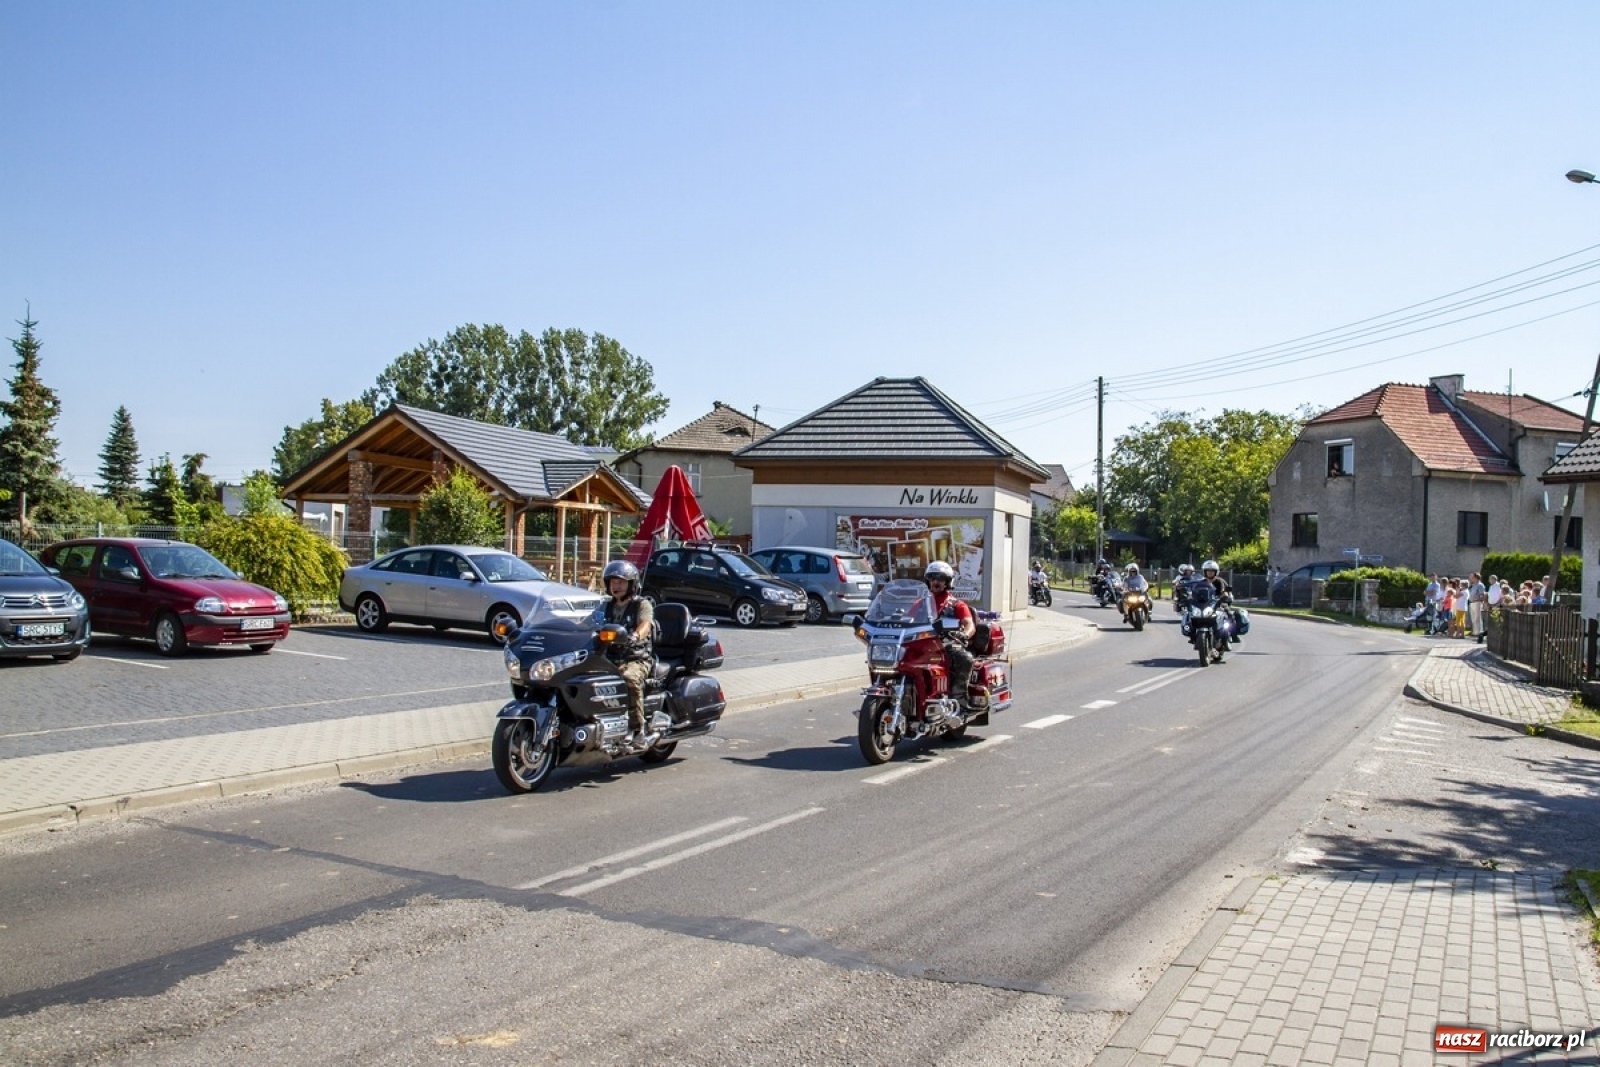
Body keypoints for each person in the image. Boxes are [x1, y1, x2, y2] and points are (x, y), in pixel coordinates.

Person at [596, 559, 656, 742]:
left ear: (632, 584)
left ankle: (638, 729)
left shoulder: (641, 605)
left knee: (629, 679)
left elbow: (646, 624)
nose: (616, 585)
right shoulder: (605, 606)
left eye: (621, 581)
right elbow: (590, 623)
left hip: (636, 658)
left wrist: (636, 636)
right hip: (609, 658)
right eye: (613, 581)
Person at [924, 560, 976, 706]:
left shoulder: (957, 605)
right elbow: (908, 619)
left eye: (940, 578)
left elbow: (969, 625)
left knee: (964, 658)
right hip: (924, 643)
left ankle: (959, 698)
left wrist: (964, 634)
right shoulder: (921, 603)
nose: (936, 582)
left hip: (948, 643)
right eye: (932, 578)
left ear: (947, 582)